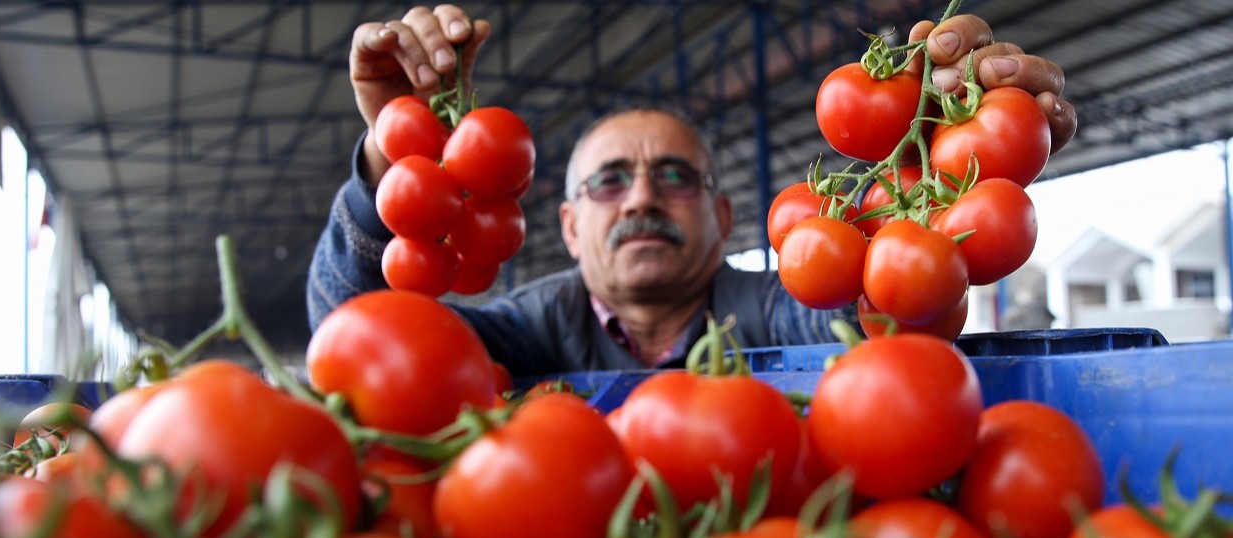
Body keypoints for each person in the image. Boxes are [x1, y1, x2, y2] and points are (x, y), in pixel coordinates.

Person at [307, 5, 1077, 378]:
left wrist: (946, 169)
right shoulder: (528, 331)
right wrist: (394, 164)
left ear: (723, 215)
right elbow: (357, 344)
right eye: (609, 182)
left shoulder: (780, 308)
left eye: (674, 175)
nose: (640, 197)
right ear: (570, 227)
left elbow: (877, 312)